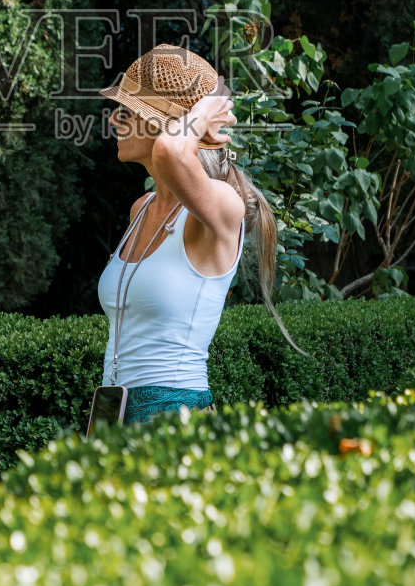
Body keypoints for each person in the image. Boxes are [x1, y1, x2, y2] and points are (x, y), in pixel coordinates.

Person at [96, 42, 282, 427]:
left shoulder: (222, 208)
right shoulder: (141, 209)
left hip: (177, 419)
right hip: (112, 414)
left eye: (129, 111)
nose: (115, 120)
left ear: (169, 125)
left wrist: (207, 108)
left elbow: (170, 153)